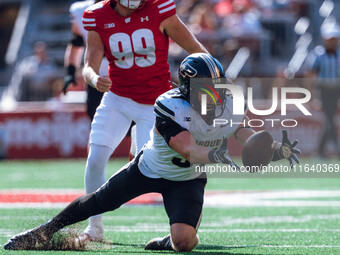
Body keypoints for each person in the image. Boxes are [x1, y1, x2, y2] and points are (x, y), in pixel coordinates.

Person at [3, 53, 300, 252]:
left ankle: (166, 242)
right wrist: (218, 157)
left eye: (216, 86)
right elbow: (186, 148)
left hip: (187, 179)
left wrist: (269, 149)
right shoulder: (170, 105)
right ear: (186, 88)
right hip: (150, 168)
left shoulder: (231, 103)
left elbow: (244, 132)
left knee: (185, 242)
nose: (213, 93)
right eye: (205, 87)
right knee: (99, 201)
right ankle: (43, 231)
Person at [79, 0, 209, 242]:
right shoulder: (97, 15)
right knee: (96, 157)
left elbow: (196, 48)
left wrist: (217, 78)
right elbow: (88, 66)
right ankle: (94, 228)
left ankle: (181, 230)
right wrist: (95, 79)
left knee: (161, 169)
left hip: (156, 103)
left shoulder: (159, 8)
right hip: (118, 98)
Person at [63, 0, 107, 121]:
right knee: (96, 119)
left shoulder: (126, 8)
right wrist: (70, 72)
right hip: (96, 78)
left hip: (126, 76)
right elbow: (77, 42)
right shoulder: (80, 10)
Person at [311, 24, 340, 158]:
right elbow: (312, 73)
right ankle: (335, 149)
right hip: (324, 89)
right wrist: (311, 94)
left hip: (336, 89)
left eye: (334, 39)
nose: (332, 42)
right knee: (329, 119)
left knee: (330, 120)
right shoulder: (319, 54)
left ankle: (321, 152)